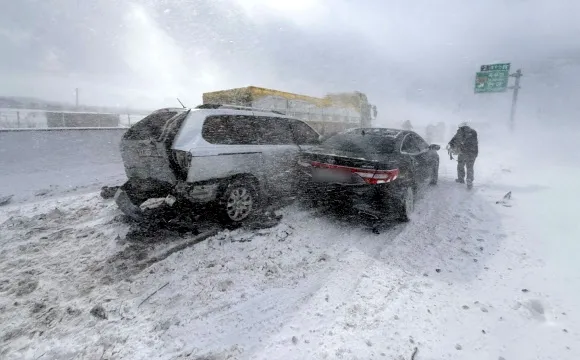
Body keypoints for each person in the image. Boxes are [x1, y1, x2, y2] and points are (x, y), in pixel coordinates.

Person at [448, 122, 478, 189]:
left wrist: (451, 144)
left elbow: (456, 140)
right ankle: (469, 179)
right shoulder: (473, 132)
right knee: (470, 167)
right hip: (473, 153)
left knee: (460, 165)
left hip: (463, 152)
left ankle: (461, 179)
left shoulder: (461, 131)